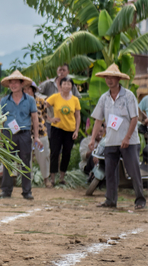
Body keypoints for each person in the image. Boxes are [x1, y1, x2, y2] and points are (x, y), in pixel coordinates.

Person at [88, 64, 145, 209]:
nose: (109, 80)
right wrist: (92, 139)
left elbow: (134, 118)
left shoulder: (129, 96)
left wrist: (127, 137)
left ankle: (140, 200)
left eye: (112, 77)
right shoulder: (104, 98)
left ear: (118, 79)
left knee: (133, 171)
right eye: (107, 77)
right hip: (110, 141)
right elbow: (98, 120)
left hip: (129, 141)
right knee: (110, 172)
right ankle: (110, 200)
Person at [0, 70, 41, 199]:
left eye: (16, 82)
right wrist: (0, 137)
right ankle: (6, 191)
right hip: (8, 134)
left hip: (24, 134)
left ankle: (27, 192)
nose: (13, 85)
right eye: (11, 83)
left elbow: (35, 118)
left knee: (25, 162)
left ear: (22, 84)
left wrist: (36, 137)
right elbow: (1, 120)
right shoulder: (4, 101)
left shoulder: (30, 100)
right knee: (8, 162)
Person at [45, 77, 81, 187]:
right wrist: (50, 119)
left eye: (69, 84)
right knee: (54, 153)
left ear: (72, 86)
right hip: (56, 129)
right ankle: (52, 179)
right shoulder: (55, 97)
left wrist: (76, 130)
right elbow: (42, 106)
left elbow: (78, 116)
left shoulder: (75, 99)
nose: (66, 86)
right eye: (64, 84)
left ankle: (62, 177)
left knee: (67, 153)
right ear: (60, 86)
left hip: (70, 130)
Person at [24, 81, 50, 183]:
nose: (26, 91)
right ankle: (27, 181)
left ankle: (46, 179)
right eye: (24, 89)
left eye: (28, 89)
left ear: (33, 90)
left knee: (44, 157)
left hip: (41, 133)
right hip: (26, 134)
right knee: (26, 158)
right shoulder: (20, 102)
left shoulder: (41, 101)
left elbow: (44, 115)